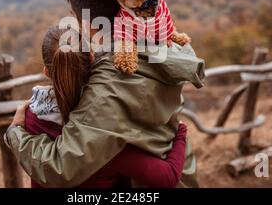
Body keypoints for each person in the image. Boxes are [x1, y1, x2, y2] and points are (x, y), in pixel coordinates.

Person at [5, 0, 205, 188]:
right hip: (179, 169)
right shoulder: (158, 44)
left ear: (89, 24)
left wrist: (16, 134)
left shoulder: (110, 85)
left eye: (74, 16)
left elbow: (61, 167)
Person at [16, 26, 187, 188]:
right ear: (92, 57)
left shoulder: (28, 121)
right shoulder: (107, 130)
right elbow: (167, 177)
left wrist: (14, 129)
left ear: (46, 71)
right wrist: (180, 132)